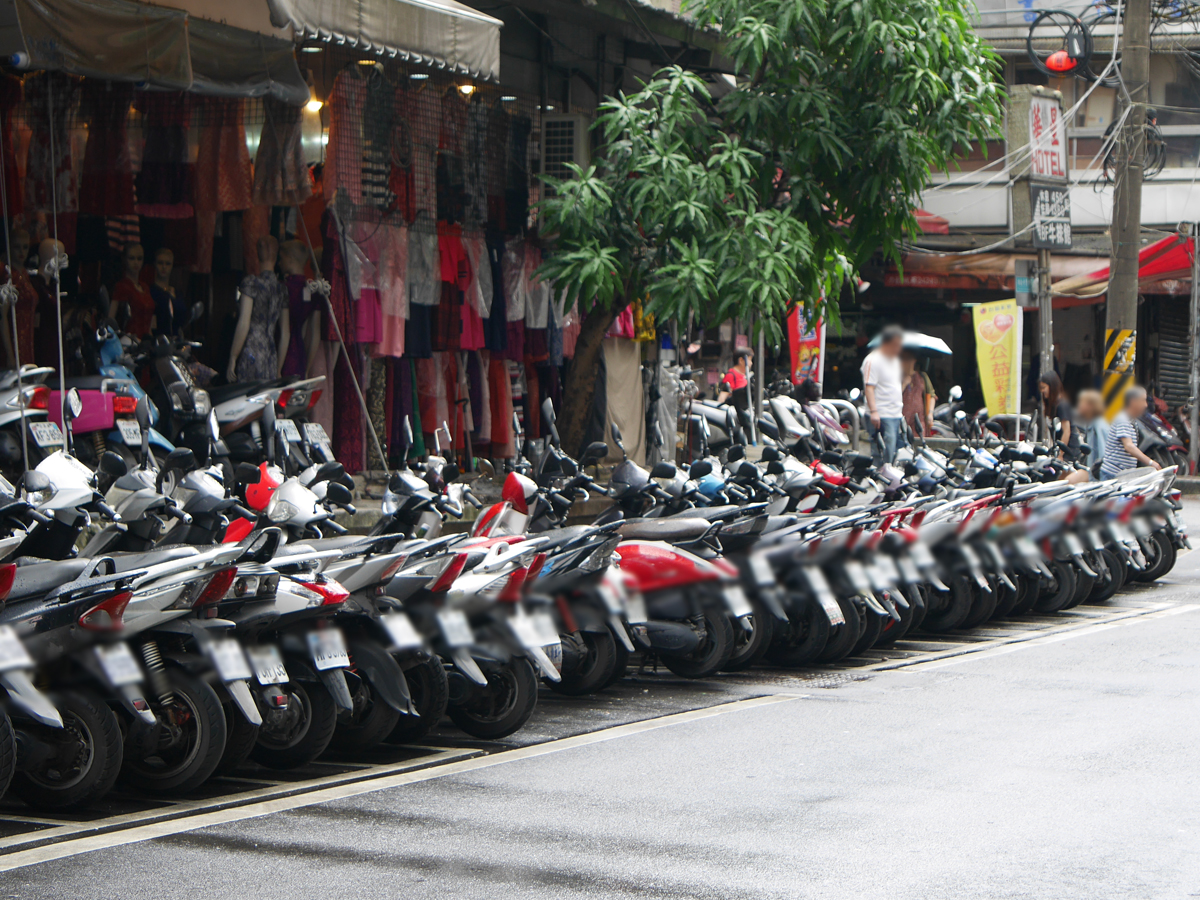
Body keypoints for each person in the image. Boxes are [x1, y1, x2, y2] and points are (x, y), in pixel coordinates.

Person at [228, 236, 289, 383]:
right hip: (270, 353)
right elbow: (285, 333)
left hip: (251, 349)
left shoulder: (251, 283)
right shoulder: (281, 289)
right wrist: (279, 368)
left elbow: (244, 322)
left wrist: (233, 356)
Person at [862, 325, 905, 462]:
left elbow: (894, 386)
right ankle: (880, 476)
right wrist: (874, 411)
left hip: (895, 413)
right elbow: (869, 387)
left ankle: (889, 475)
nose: (899, 348)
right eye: (896, 344)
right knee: (881, 450)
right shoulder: (872, 360)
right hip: (881, 413)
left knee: (893, 449)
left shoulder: (896, 361)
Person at [1101, 386, 1160, 479]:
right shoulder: (1122, 419)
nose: (1145, 405)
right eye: (1143, 400)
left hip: (1123, 475)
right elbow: (1128, 446)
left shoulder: (1131, 420)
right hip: (1113, 475)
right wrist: (1150, 462)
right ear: (1133, 401)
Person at [0, 227, 36, 368]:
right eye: (17, 247)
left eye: (25, 247)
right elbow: (2, 317)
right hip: (14, 341)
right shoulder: (8, 276)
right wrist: (10, 354)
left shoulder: (24, 274)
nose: (22, 252)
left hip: (28, 339)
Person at [109, 243, 154, 338]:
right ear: (125, 259)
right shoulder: (121, 286)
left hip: (146, 340)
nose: (136, 262)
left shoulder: (145, 287)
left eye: (139, 258)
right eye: (132, 258)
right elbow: (111, 319)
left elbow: (149, 322)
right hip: (129, 341)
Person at [1039, 371, 1080, 460]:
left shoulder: (1062, 405)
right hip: (1059, 449)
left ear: (1052, 386)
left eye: (1044, 388)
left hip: (1069, 451)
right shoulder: (1051, 405)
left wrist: (1061, 454)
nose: (1042, 391)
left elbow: (1067, 431)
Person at [149, 247, 185, 337]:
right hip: (157, 339)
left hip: (175, 339)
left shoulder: (177, 293)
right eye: (160, 263)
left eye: (168, 264)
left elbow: (182, 317)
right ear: (155, 264)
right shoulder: (150, 291)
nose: (164, 267)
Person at [900, 350, 935, 436]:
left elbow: (932, 395)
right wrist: (904, 384)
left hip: (919, 420)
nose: (905, 362)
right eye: (903, 359)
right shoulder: (897, 377)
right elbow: (892, 397)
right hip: (902, 420)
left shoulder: (922, 377)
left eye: (908, 359)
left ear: (914, 360)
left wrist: (930, 413)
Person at [1076, 389, 1109, 468]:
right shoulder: (1091, 423)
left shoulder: (1098, 425)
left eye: (1081, 402)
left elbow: (1103, 452)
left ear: (1090, 405)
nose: (1079, 405)